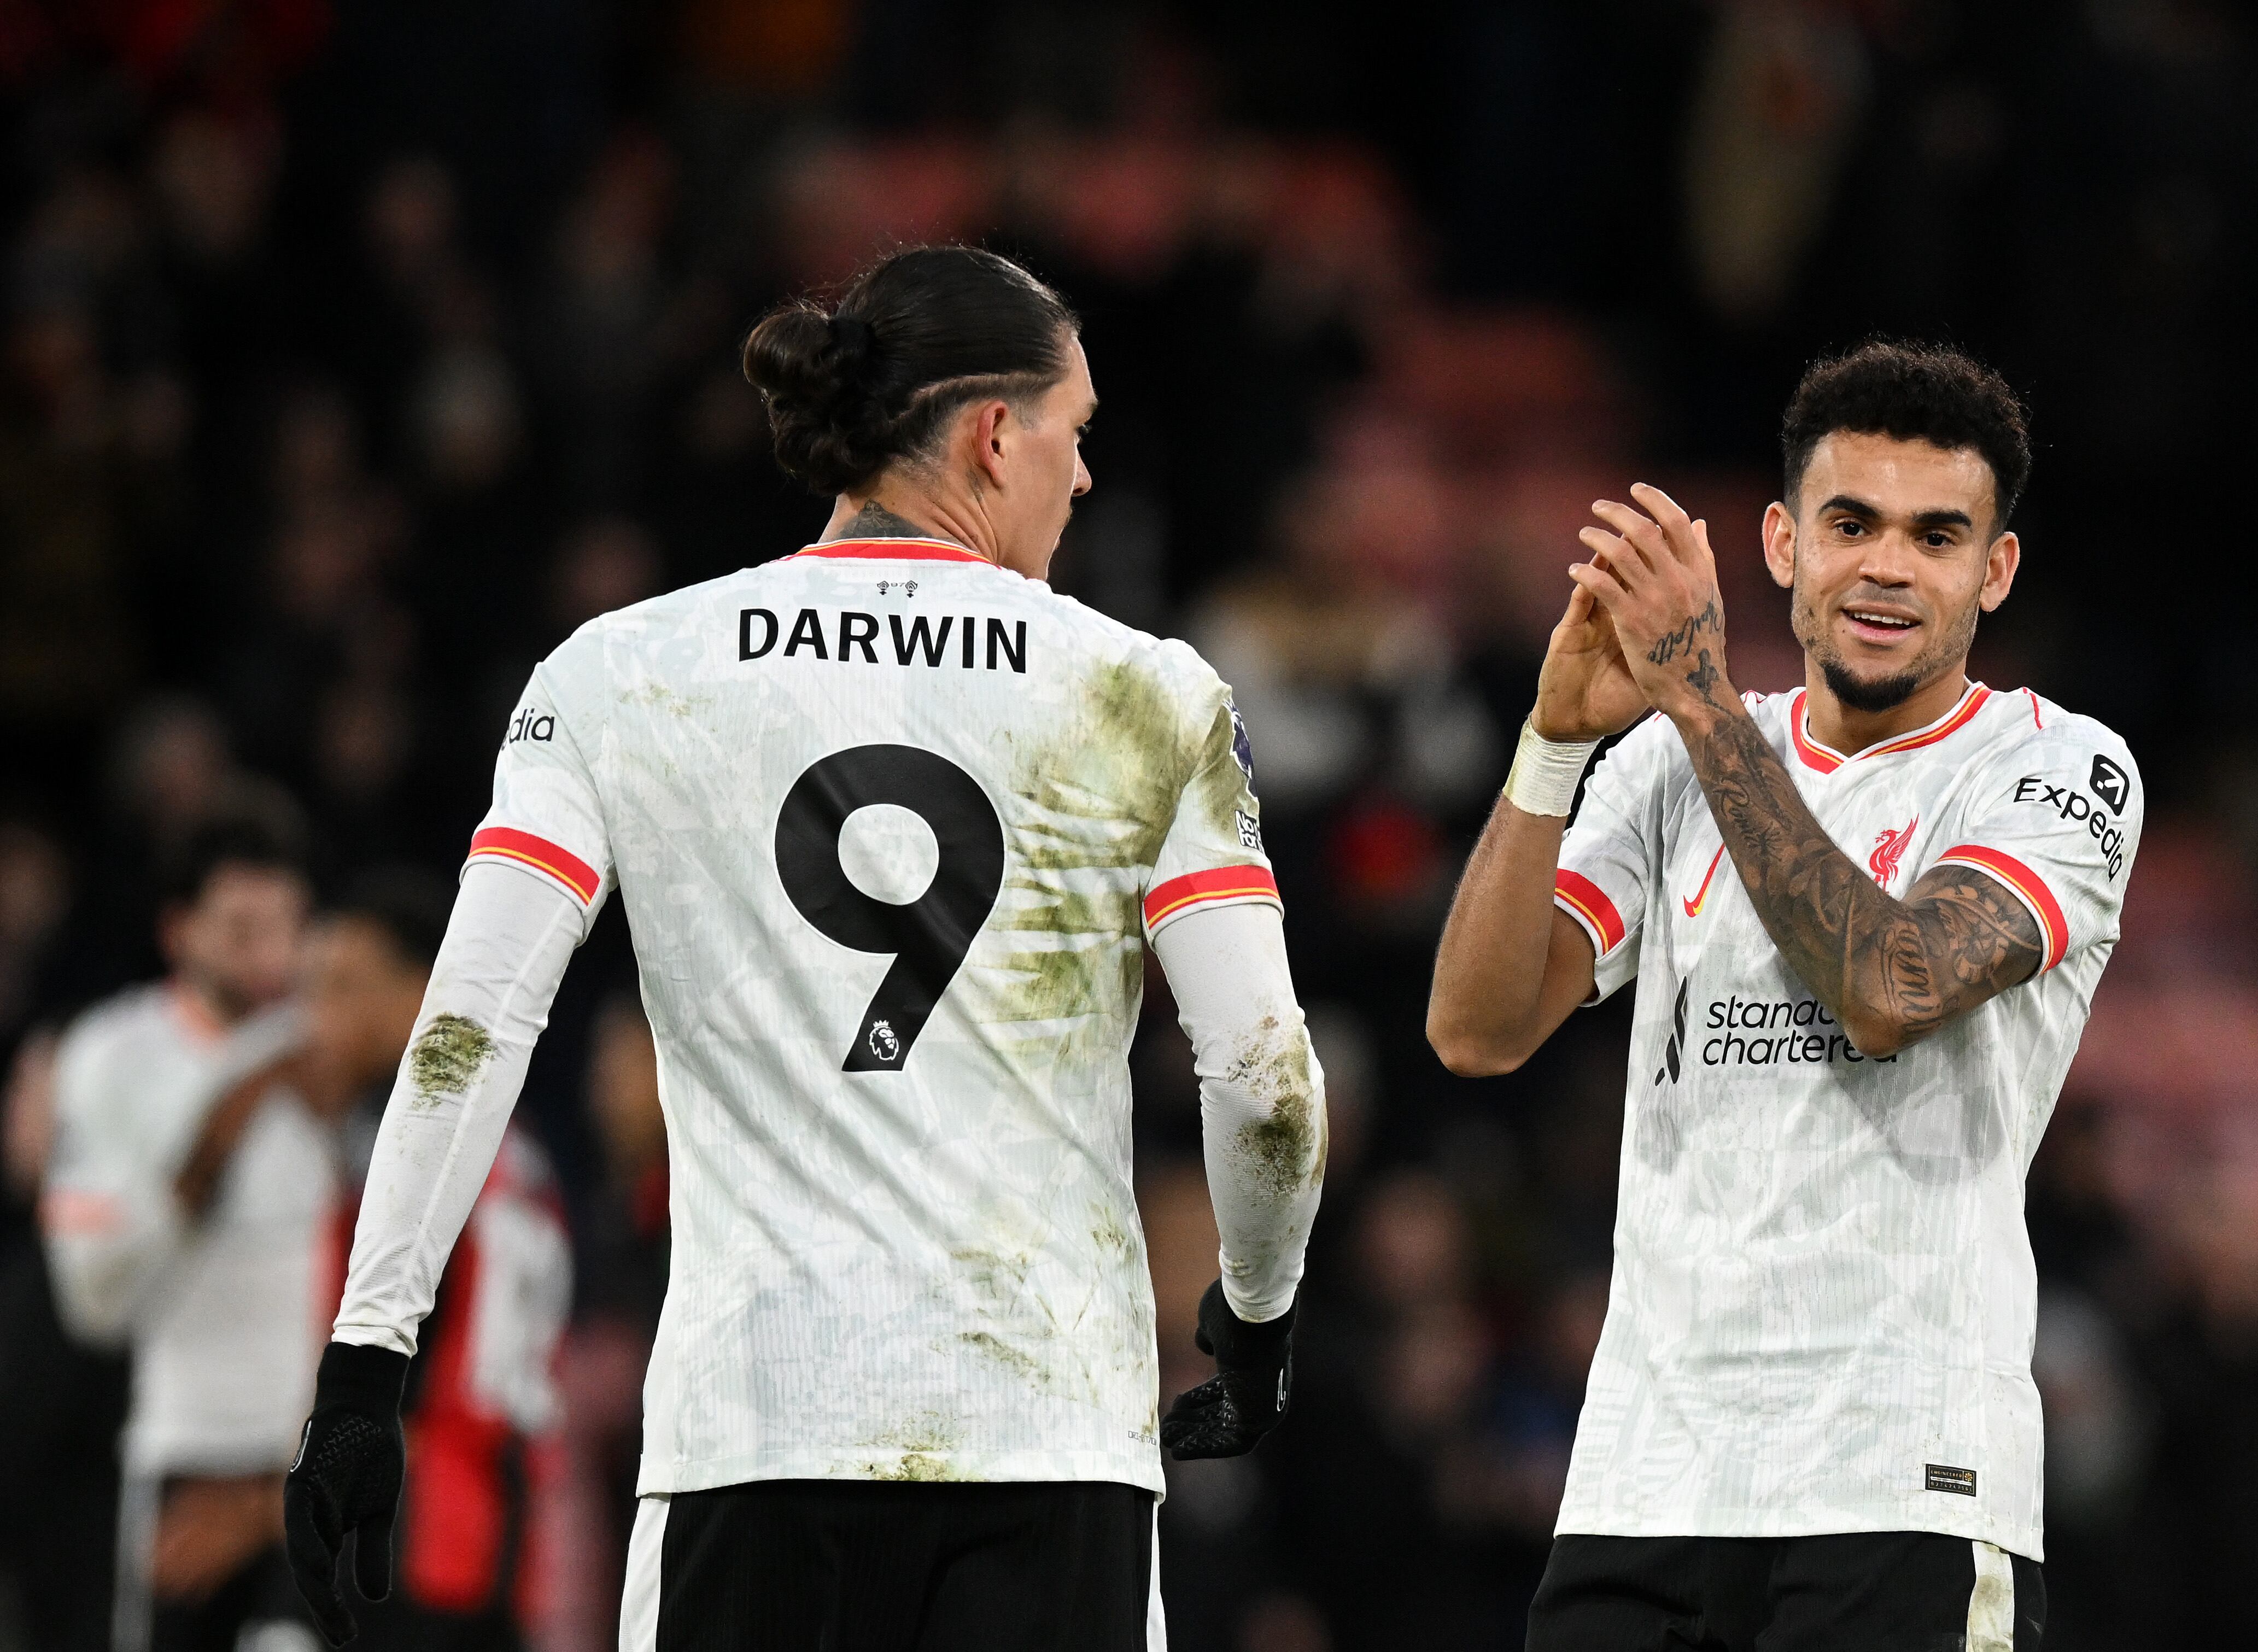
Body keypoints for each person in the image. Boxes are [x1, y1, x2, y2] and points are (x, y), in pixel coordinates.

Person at [282, 244, 1328, 1652]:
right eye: (1074, 436)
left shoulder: (623, 671)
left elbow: (471, 1025)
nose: (1083, 481)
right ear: (991, 432)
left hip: (753, 1436)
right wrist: (1253, 1319)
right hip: (1050, 1438)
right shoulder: (1147, 692)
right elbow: (1265, 1076)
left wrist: (366, 1363)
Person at [1428, 341, 2142, 1651]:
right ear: (1778, 542)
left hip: (1900, 1484)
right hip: (1646, 1479)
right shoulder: (1662, 764)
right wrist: (1549, 746)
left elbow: (1887, 985)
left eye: (1935, 536)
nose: (1884, 566)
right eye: (1849, 523)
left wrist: (1698, 699)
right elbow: (1475, 1028)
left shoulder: (2055, 771)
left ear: (1994, 571)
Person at [251, 871, 571, 1652]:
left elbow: (438, 1396)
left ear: (418, 996)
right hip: (491, 1547)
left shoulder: (425, 1160)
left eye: (342, 986)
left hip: (409, 1551)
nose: (314, 1017)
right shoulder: (511, 1149)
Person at [42, 805, 331, 1652]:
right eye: (242, 930)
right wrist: (210, 1147)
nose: (273, 956)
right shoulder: (112, 1055)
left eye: (287, 927)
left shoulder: (334, 1052)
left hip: (315, 1457)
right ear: (179, 931)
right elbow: (90, 1297)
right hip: (184, 1453)